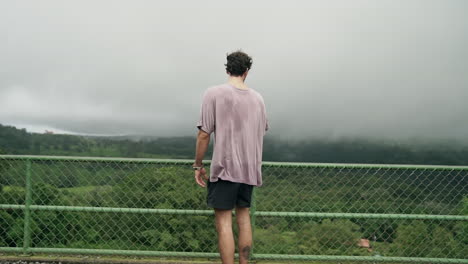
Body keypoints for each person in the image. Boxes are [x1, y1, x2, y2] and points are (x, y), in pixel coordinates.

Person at [193, 50, 269, 264]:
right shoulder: (258, 99)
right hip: (250, 168)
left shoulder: (214, 93)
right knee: (244, 218)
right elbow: (260, 130)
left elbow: (204, 134)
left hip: (225, 167)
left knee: (224, 222)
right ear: (247, 71)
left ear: (227, 69)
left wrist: (197, 165)